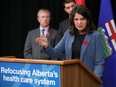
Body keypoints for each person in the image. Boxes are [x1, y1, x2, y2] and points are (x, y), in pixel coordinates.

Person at [36, 4, 105, 79]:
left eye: (82, 19)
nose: (79, 22)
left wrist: (94, 79)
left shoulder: (96, 36)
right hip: (71, 77)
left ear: (87, 20)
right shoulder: (68, 34)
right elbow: (55, 53)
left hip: (88, 78)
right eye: (76, 19)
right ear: (72, 20)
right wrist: (47, 46)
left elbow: (99, 63)